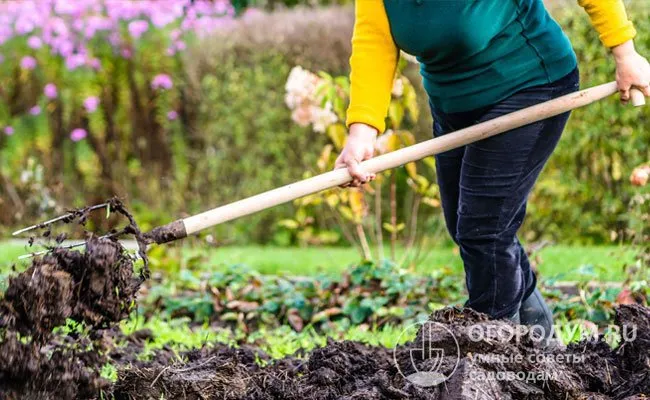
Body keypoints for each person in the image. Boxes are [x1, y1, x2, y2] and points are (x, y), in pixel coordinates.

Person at [335, 0, 650, 338]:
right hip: (454, 104)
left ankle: (493, 347)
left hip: (529, 85)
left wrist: (625, 53)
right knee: (466, 227)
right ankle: (537, 338)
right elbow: (374, 43)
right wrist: (361, 132)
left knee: (484, 230)